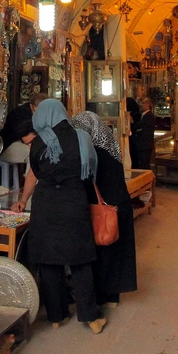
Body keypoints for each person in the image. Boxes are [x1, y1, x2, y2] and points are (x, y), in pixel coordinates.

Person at [12, 100, 107, 333]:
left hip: (46, 205)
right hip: (74, 202)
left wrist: (24, 199)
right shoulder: (82, 137)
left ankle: (57, 316)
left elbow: (35, 171)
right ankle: (90, 317)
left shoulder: (39, 142)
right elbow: (90, 172)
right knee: (80, 260)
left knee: (49, 261)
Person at [72, 111, 138, 308]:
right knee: (116, 249)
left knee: (102, 251)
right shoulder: (110, 145)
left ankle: (101, 297)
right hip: (119, 204)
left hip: (104, 208)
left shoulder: (93, 152)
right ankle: (113, 297)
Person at [0, 92, 48, 165]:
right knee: (34, 153)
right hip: (5, 147)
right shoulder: (21, 114)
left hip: (21, 143)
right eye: (36, 111)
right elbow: (28, 139)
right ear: (31, 106)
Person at [129, 97, 156, 170]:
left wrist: (132, 122)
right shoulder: (143, 115)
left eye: (143, 103)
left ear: (148, 104)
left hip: (145, 145)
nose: (141, 105)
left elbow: (141, 127)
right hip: (142, 145)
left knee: (144, 165)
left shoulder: (149, 116)